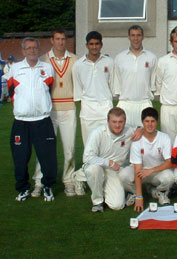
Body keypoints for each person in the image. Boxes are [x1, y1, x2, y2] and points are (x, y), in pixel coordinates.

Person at [8, 37, 57, 202]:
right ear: (23, 51)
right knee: (20, 159)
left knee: (48, 158)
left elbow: (48, 89)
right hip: (21, 122)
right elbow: (11, 92)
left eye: (35, 48)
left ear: (38, 49)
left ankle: (48, 186)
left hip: (43, 121)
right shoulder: (15, 69)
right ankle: (23, 189)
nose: (32, 50)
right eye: (28, 48)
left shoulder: (48, 68)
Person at [31, 28, 78, 197]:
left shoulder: (74, 59)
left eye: (63, 39)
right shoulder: (43, 60)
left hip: (69, 109)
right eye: (57, 39)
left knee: (69, 149)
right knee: (44, 148)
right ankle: (39, 181)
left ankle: (69, 181)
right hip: (48, 111)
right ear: (52, 40)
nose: (60, 42)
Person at [80, 107, 138, 212]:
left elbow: (142, 129)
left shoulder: (129, 131)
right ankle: (98, 201)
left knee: (117, 205)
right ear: (107, 121)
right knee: (94, 170)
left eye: (121, 122)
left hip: (114, 171)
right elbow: (87, 157)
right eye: (114, 122)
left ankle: (105, 187)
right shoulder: (97, 133)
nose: (117, 125)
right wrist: (109, 162)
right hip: (98, 166)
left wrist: (141, 130)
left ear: (125, 122)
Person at [73, 31, 115, 145]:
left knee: (107, 146)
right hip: (88, 113)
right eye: (91, 44)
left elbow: (112, 86)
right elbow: (78, 90)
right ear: (87, 45)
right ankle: (89, 164)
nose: (94, 47)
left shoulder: (110, 62)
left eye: (97, 44)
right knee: (89, 146)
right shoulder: (78, 65)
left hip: (106, 110)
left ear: (101, 45)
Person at [130, 107, 174, 211]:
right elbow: (137, 169)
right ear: (142, 122)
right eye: (147, 121)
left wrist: (151, 170)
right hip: (141, 173)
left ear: (157, 122)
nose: (150, 125)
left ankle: (160, 192)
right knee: (124, 176)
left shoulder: (164, 137)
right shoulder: (137, 141)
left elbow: (169, 162)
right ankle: (135, 193)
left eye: (152, 121)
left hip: (156, 172)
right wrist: (139, 198)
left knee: (170, 177)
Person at [114, 25, 157, 127]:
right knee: (125, 140)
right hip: (125, 103)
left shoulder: (151, 57)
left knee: (143, 140)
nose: (135, 38)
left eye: (138, 35)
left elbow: (153, 81)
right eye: (133, 35)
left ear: (143, 37)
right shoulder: (120, 58)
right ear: (128, 37)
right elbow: (117, 80)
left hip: (144, 103)